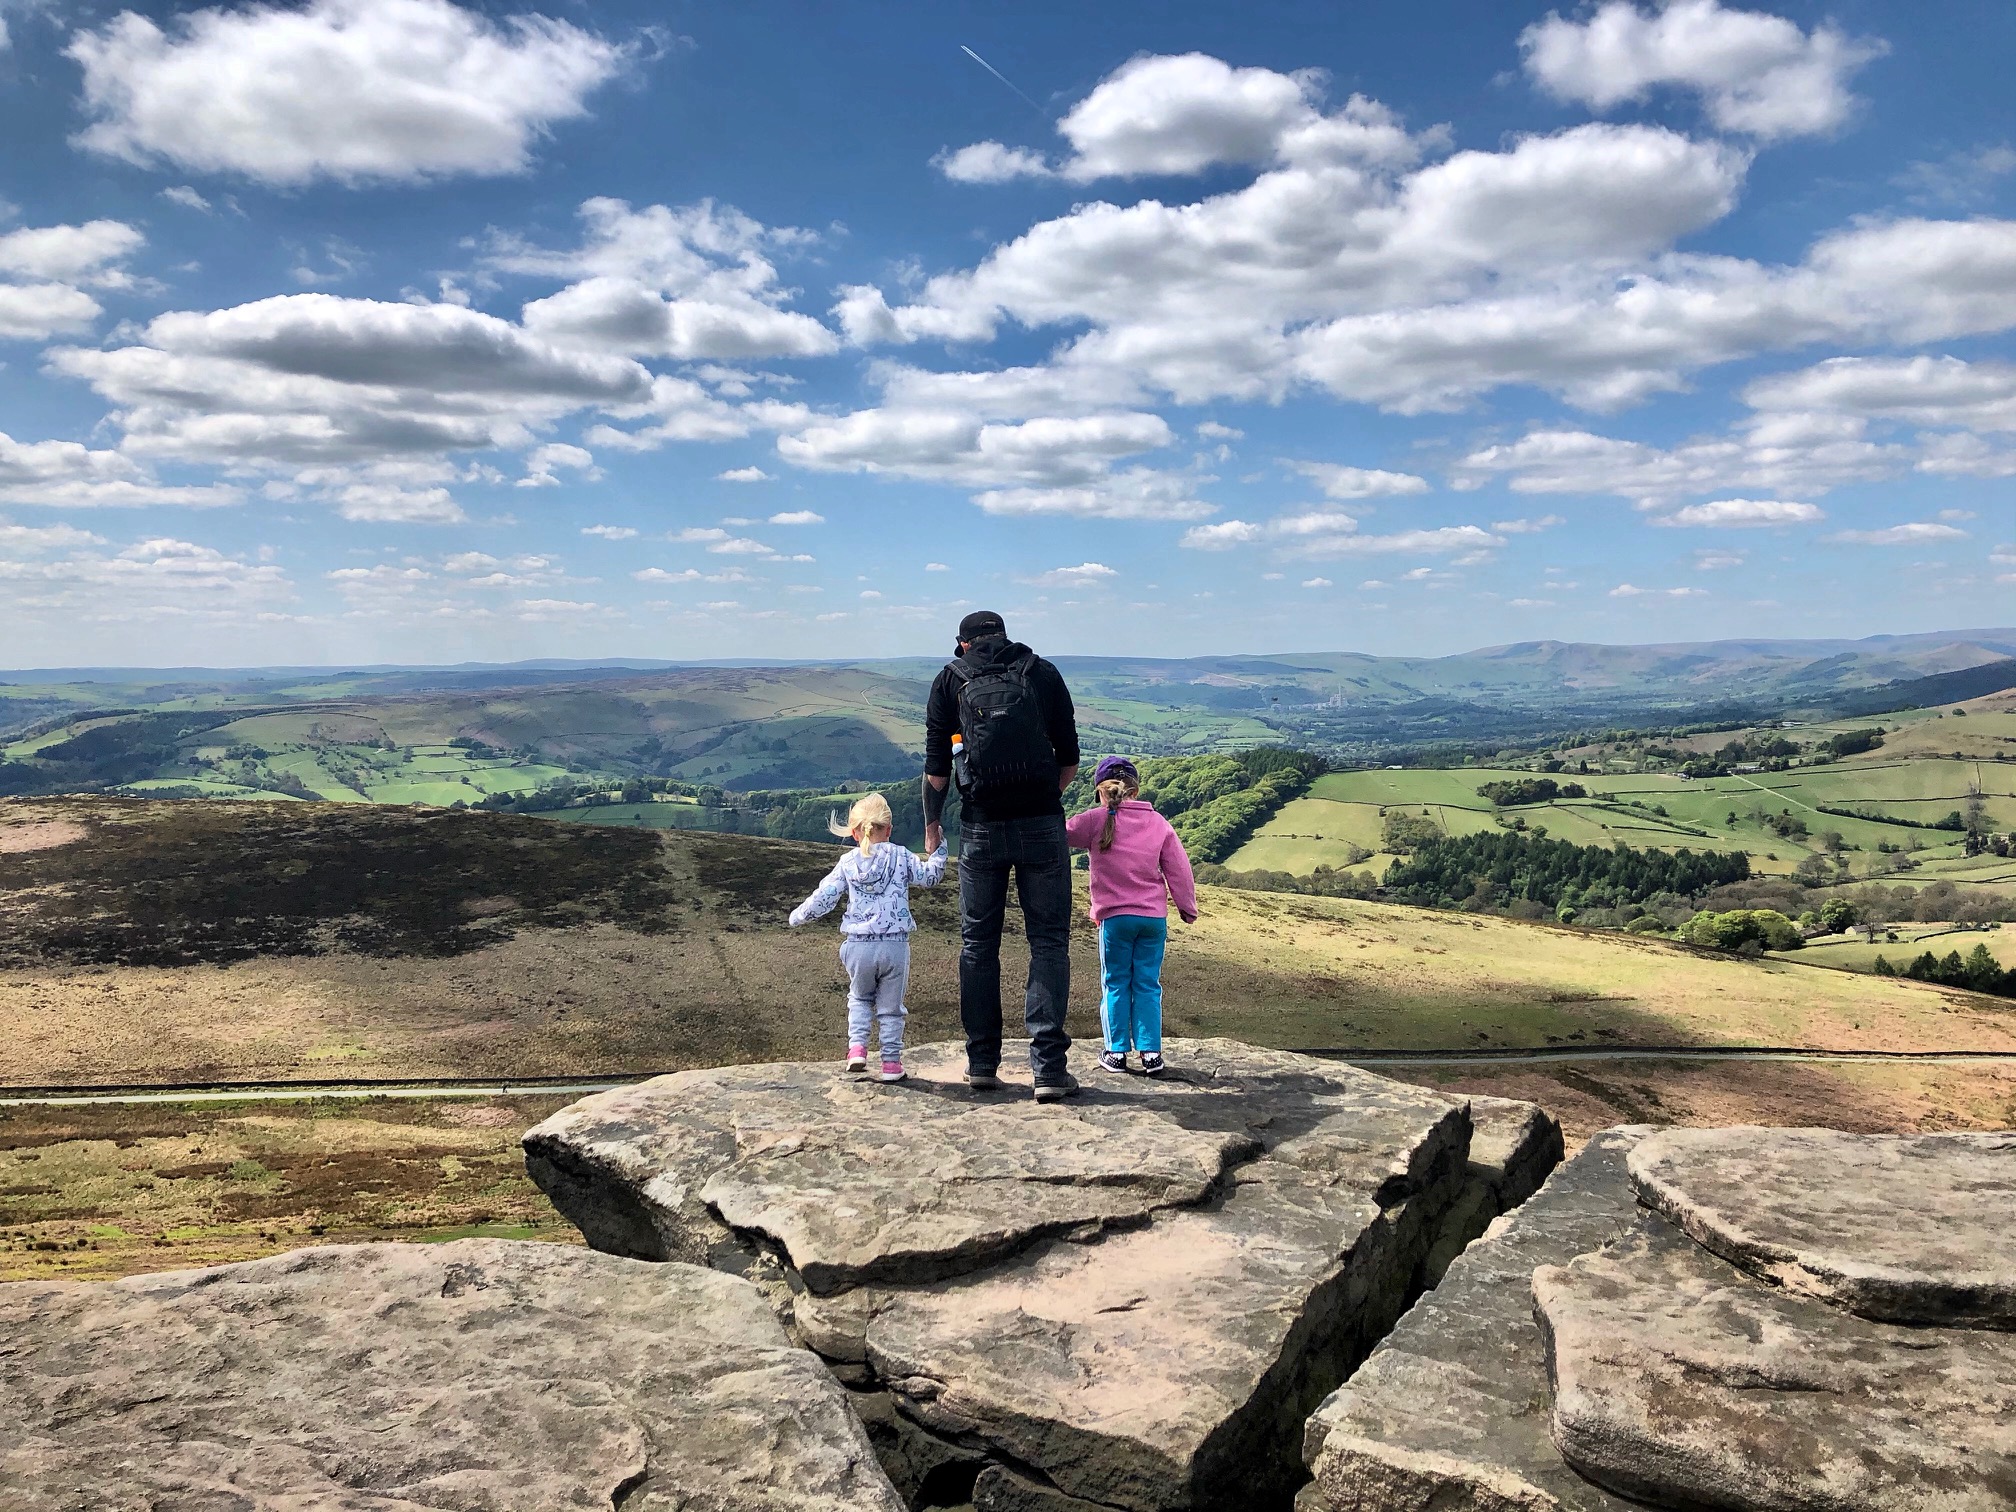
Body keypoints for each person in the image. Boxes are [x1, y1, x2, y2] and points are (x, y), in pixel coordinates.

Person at [923, 610, 1081, 1102]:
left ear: (963, 644)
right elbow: (1070, 758)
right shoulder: (1042, 671)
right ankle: (1050, 1071)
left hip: (980, 827)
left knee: (978, 943)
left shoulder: (950, 680)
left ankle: (982, 1063)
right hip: (1041, 826)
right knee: (1049, 942)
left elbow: (936, 769)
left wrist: (932, 826)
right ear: (1003, 636)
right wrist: (1041, 804)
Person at [788, 792, 947, 1083]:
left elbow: (825, 897)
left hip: (858, 946)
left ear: (853, 832)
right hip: (895, 946)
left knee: (860, 998)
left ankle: (857, 1050)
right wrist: (940, 849)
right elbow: (930, 878)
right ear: (889, 829)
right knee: (890, 1009)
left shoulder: (847, 862)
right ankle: (890, 1065)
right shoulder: (900, 856)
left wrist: (798, 916)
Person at [1064, 756, 1197, 1076]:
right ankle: (1151, 1054)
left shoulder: (1095, 821)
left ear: (1100, 791)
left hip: (1115, 920)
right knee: (1148, 985)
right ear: (1137, 789)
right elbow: (1178, 868)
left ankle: (1116, 1052)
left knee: (1116, 983)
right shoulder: (1158, 822)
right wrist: (1186, 907)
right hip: (1153, 920)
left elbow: (1060, 832)